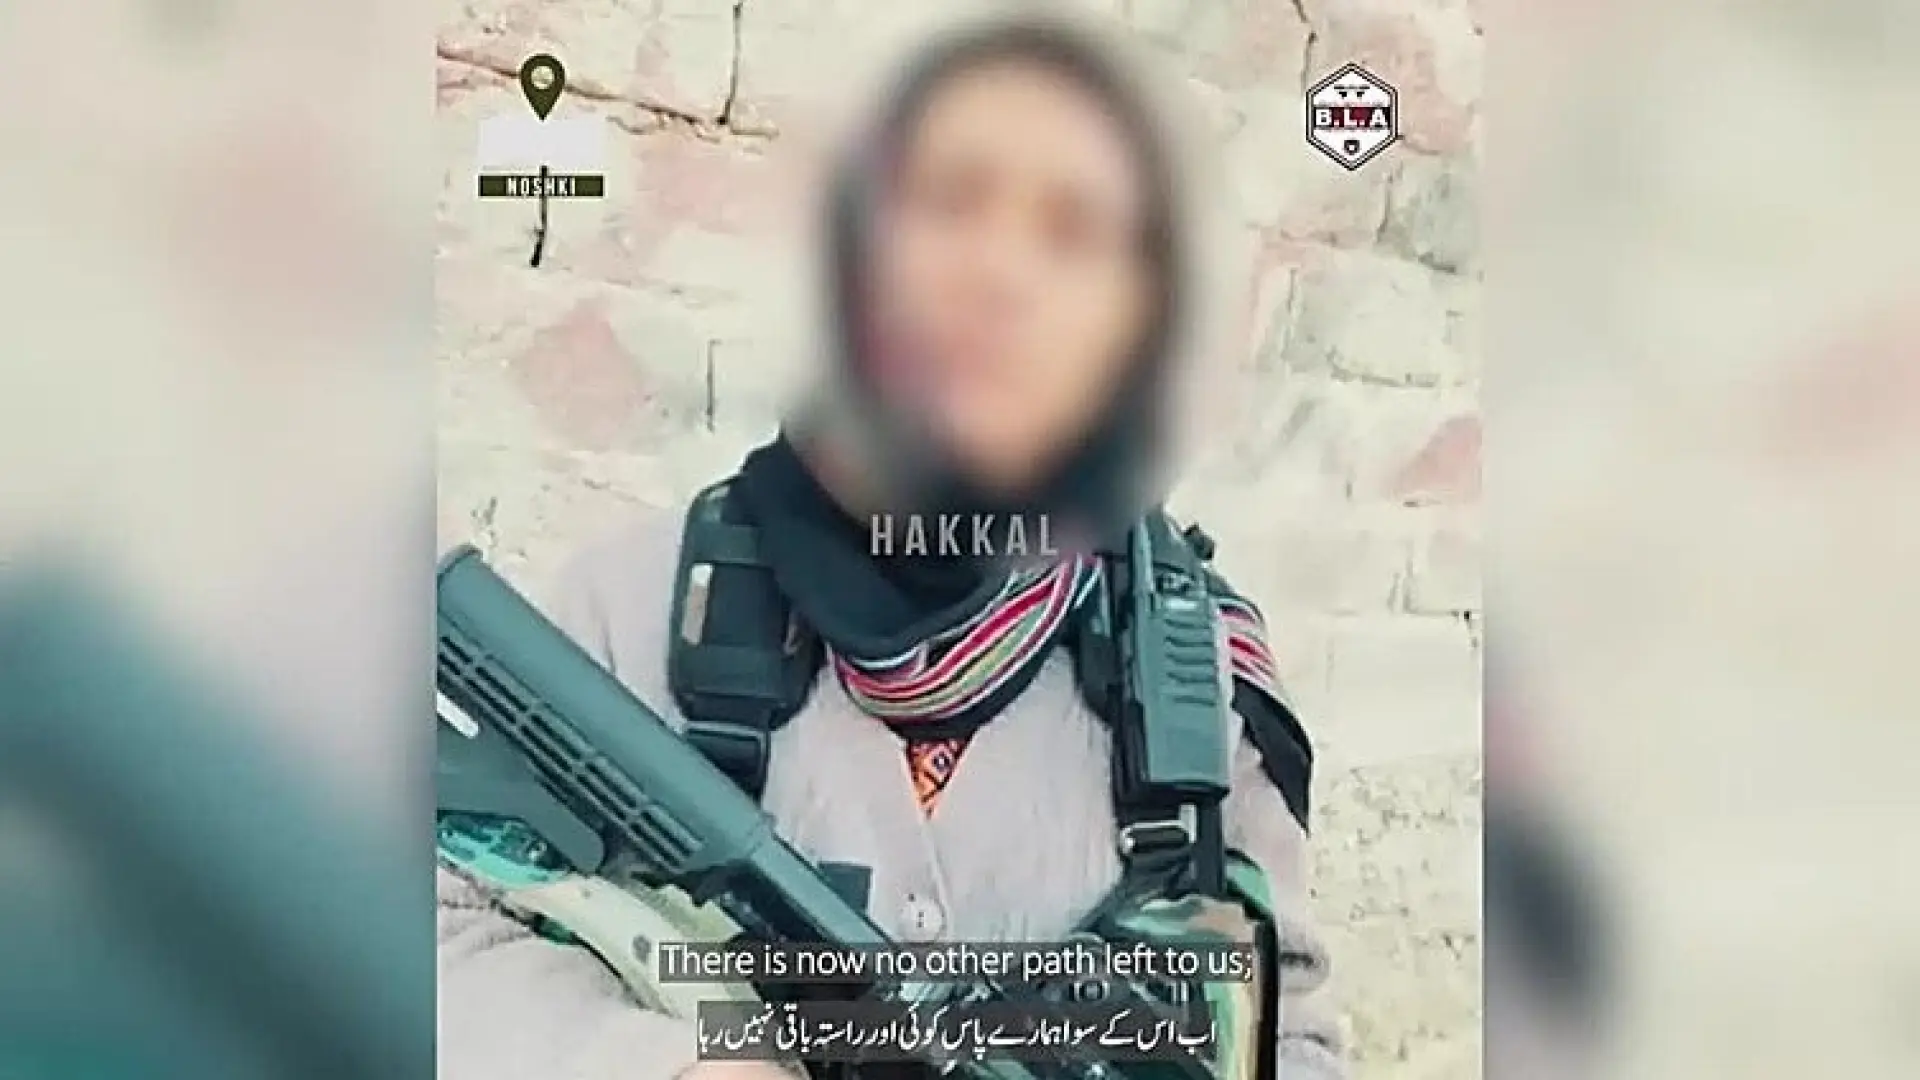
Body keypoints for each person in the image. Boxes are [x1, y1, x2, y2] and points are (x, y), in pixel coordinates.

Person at [437, 13, 1347, 1080]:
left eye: (1073, 232)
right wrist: (655, 1065)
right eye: (947, 201)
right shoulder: (626, 612)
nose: (999, 271)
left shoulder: (1203, 695)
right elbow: (436, 928)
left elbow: (1288, 1039)